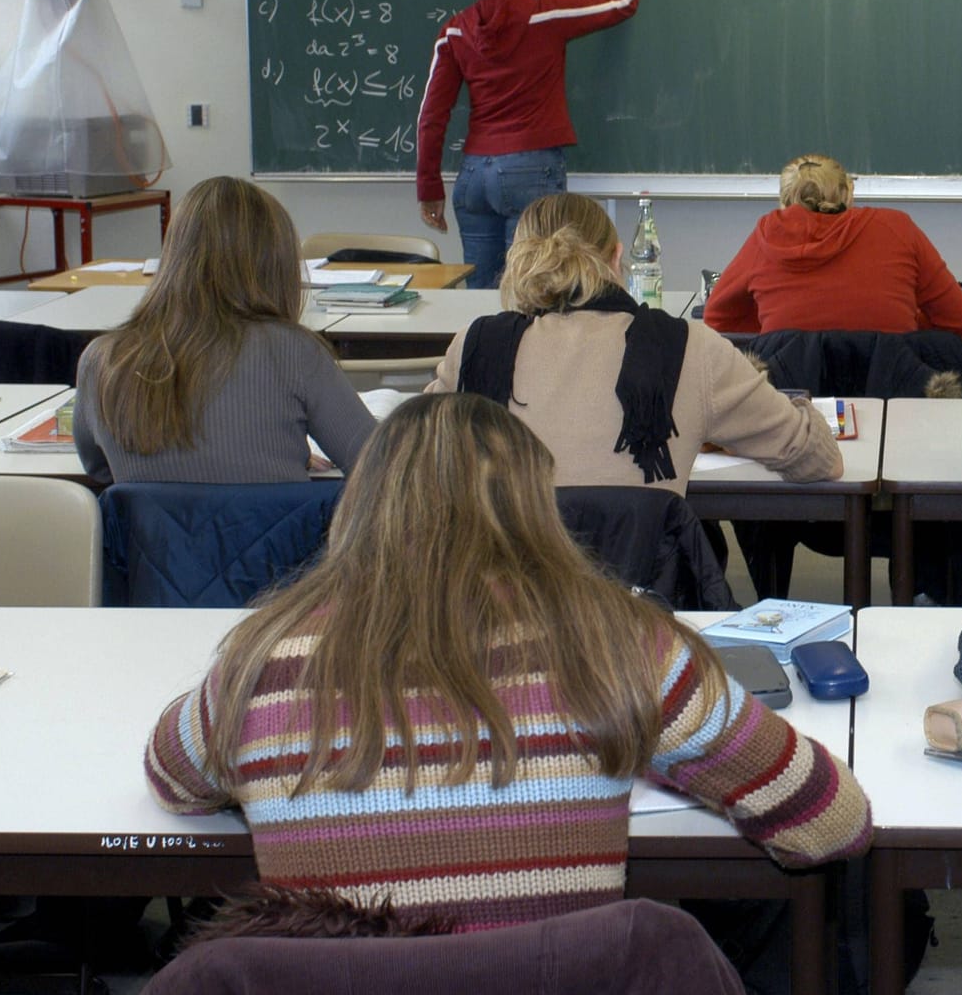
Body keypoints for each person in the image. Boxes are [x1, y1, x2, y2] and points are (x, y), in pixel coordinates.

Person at [145, 393, 872, 932]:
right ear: (535, 504)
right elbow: (834, 824)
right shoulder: (623, 645)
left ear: (359, 503)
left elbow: (170, 778)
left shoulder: (262, 658)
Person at [426, 192, 841, 493]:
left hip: (497, 604)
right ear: (617, 257)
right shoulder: (689, 348)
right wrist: (787, 400)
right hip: (638, 604)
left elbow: (413, 468)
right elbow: (820, 459)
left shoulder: (474, 348)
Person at [73, 176, 374, 484]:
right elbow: (376, 464)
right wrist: (273, 460)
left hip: (151, 534)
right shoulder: (294, 352)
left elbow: (99, 470)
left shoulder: (102, 360)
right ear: (275, 268)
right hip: (277, 531)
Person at [415, 0, 644, 290]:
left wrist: (429, 188)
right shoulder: (545, 16)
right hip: (530, 169)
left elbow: (431, 116)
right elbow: (623, 0)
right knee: (534, 294)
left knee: (481, 303)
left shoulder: (455, 31)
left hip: (474, 177)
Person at [703, 154, 962, 340]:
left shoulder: (765, 238)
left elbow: (717, 318)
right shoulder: (897, 228)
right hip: (893, 402)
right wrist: (909, 324)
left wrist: (779, 333)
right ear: (849, 192)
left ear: (784, 199)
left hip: (796, 406)